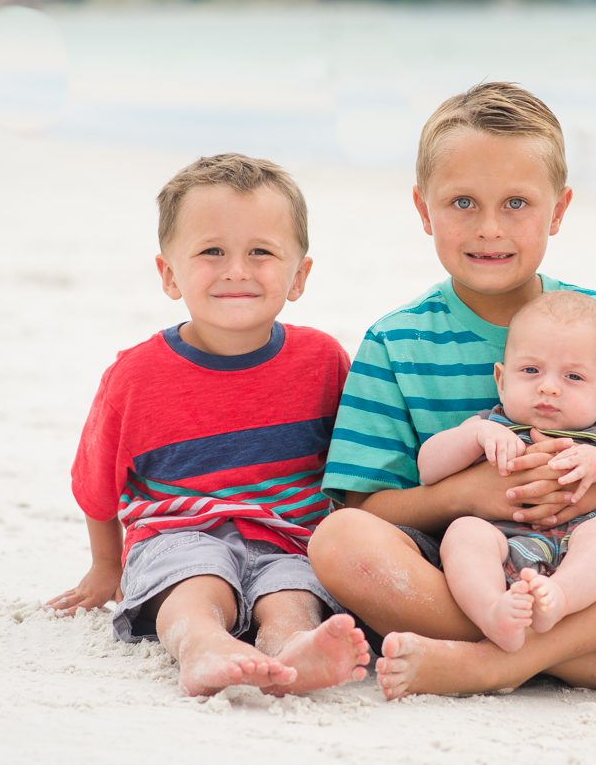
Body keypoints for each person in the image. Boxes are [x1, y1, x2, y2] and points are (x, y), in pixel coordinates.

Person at [307, 81, 596, 703]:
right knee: (336, 543)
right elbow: (361, 509)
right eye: (462, 203)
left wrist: (588, 477)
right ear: (423, 208)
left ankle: (503, 661)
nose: (489, 229)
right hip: (464, 567)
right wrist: (474, 492)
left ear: (558, 209)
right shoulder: (396, 343)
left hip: (593, 557)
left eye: (517, 204)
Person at [46, 154, 370, 697]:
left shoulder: (322, 360)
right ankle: (204, 647)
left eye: (261, 252)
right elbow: (97, 487)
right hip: (177, 535)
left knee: (292, 593)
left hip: (289, 538)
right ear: (170, 274)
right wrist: (105, 565)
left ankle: (291, 650)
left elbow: (351, 468)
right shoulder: (137, 375)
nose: (236, 270)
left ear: (300, 276)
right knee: (195, 584)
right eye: (211, 251)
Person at [417, 291, 596, 651]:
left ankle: (559, 598)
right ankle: (492, 611)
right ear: (501, 380)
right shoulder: (491, 425)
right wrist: (474, 436)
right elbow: (428, 467)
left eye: (573, 377)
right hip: (501, 543)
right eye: (531, 370)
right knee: (463, 533)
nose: (548, 387)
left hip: (582, 543)